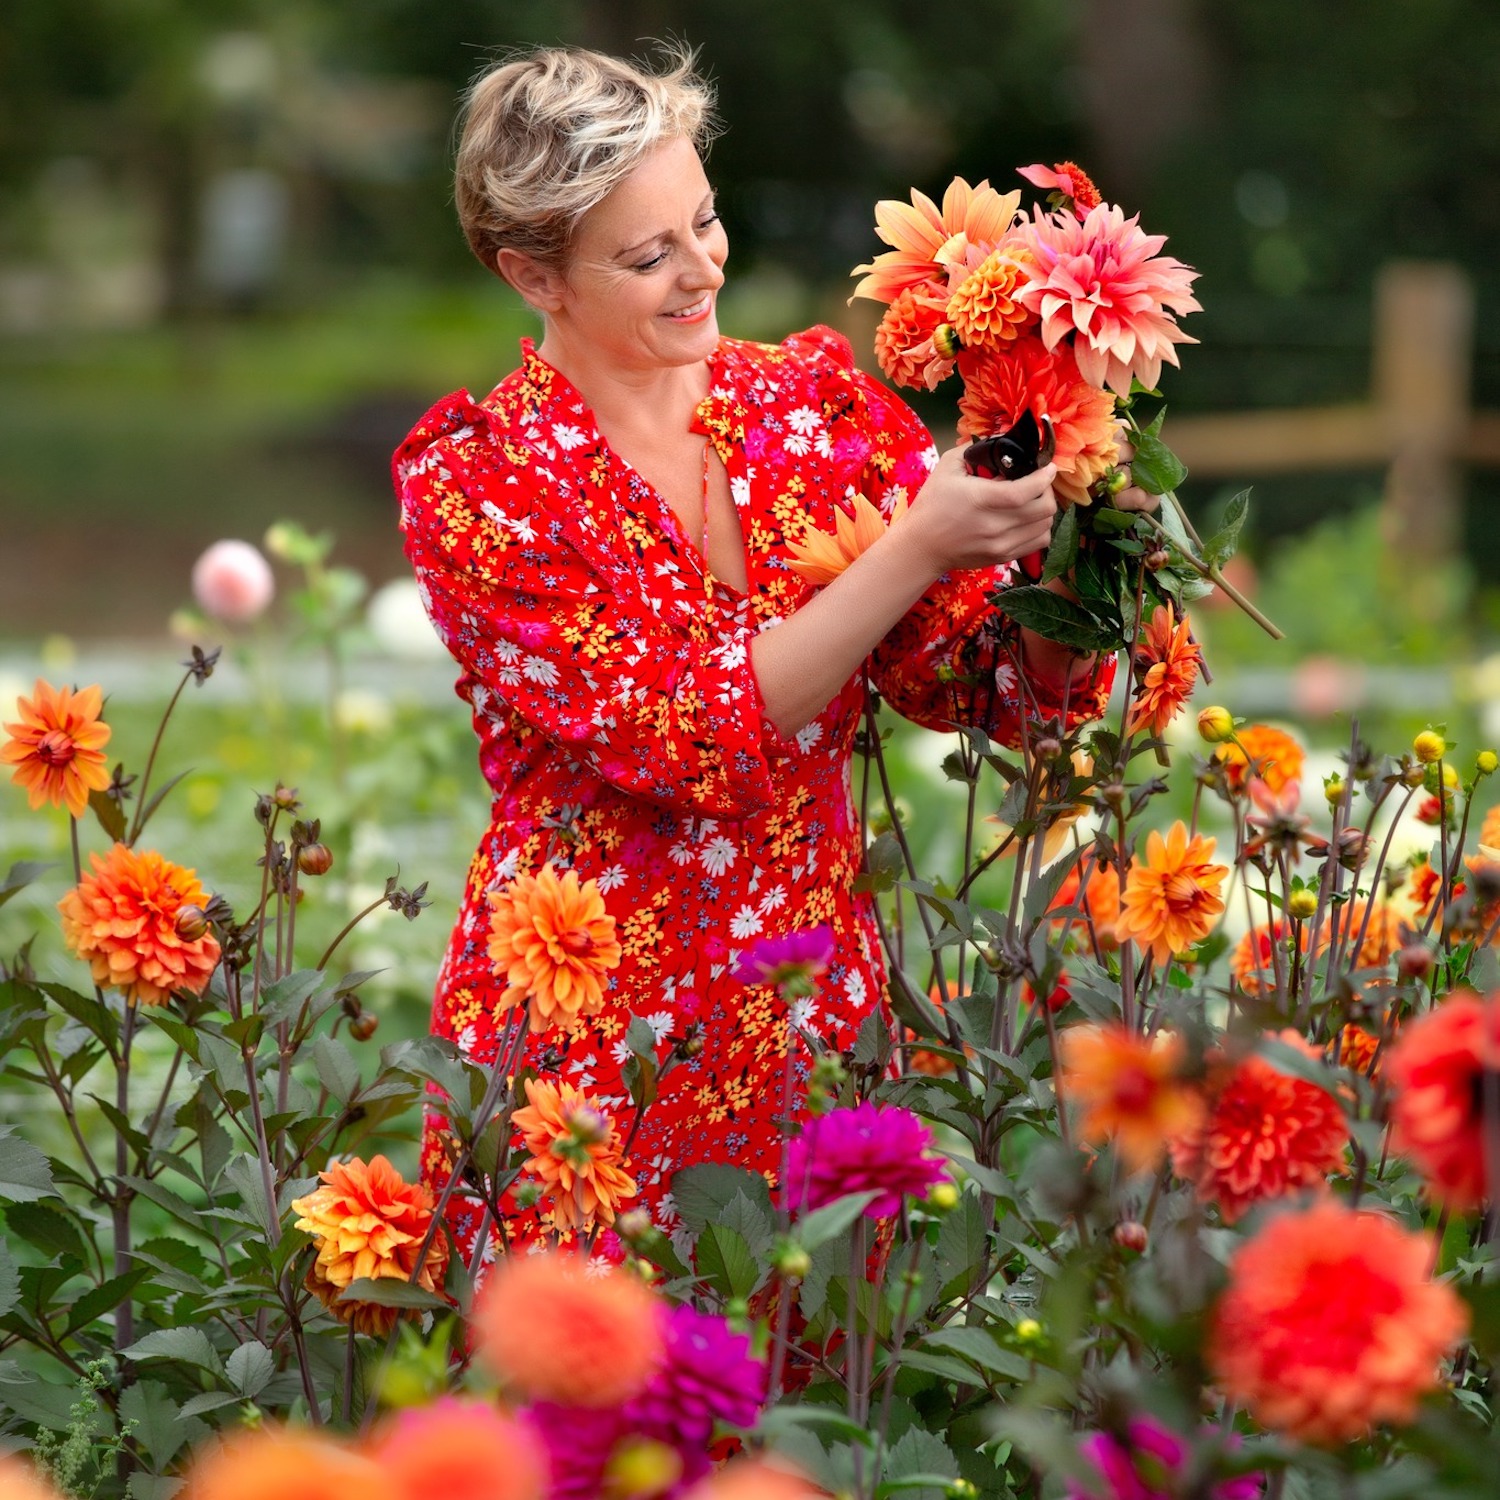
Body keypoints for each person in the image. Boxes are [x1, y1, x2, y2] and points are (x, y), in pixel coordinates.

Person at [393, 44, 1148, 1261]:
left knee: (815, 1413)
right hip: (585, 1038)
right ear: (529, 272)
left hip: (807, 1014)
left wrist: (1077, 526)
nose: (703, 272)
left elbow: (984, 685)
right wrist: (913, 548)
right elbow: (682, 738)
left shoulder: (810, 408)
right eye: (648, 257)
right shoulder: (484, 483)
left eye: (705, 222)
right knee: (593, 1418)